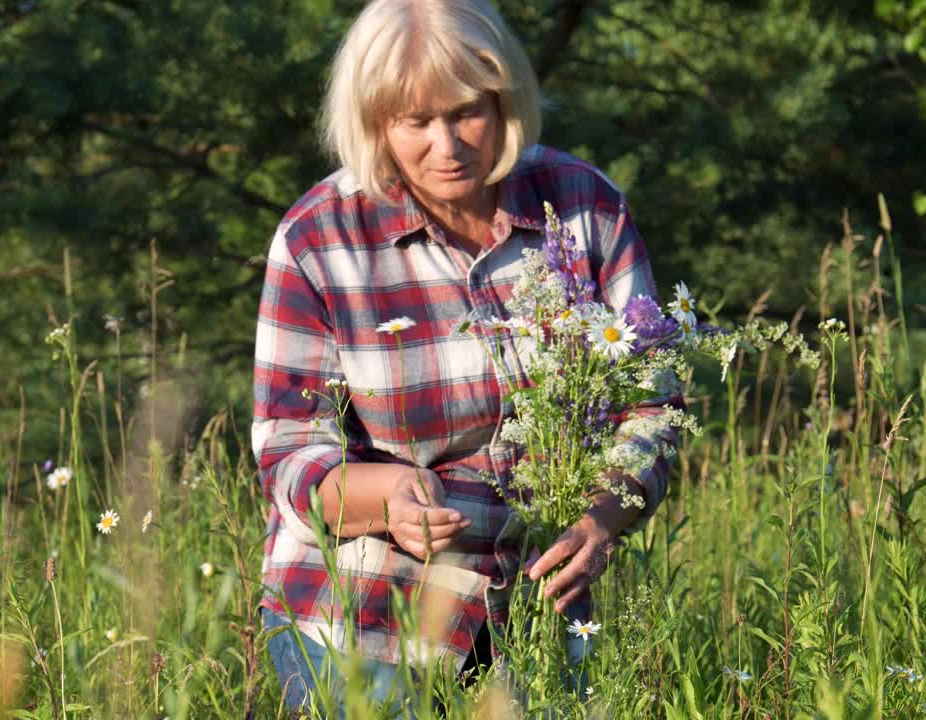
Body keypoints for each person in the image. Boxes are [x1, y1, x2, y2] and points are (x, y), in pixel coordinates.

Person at [251, 0, 681, 712]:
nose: (446, 145)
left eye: (466, 113)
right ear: (375, 123)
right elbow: (286, 449)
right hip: (366, 610)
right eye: (415, 122)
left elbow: (653, 406)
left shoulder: (582, 207)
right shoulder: (316, 239)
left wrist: (604, 517)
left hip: (540, 602)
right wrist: (382, 499)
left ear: (505, 101)